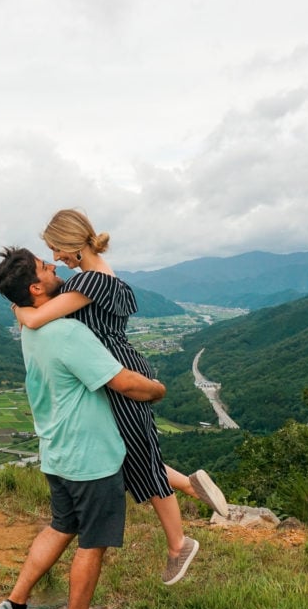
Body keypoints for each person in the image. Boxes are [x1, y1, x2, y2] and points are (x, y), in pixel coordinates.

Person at [14, 208, 229, 585]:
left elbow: (34, 318)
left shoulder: (92, 283)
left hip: (121, 375)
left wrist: (15, 303)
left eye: (56, 249)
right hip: (107, 373)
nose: (55, 258)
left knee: (142, 459)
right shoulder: (87, 280)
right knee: (126, 455)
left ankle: (179, 545)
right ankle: (190, 485)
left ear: (71, 243)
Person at [0, 246, 167, 609]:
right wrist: (157, 389)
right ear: (36, 287)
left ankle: (14, 605)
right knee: (93, 542)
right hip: (90, 458)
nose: (53, 267)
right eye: (44, 267)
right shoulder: (67, 332)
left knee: (60, 527)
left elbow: (26, 314)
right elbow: (123, 383)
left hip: (57, 452)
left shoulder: (31, 327)